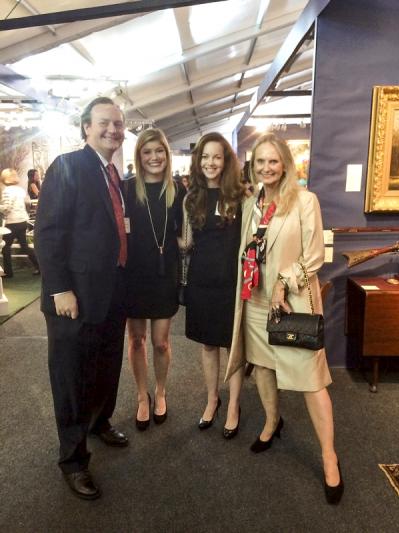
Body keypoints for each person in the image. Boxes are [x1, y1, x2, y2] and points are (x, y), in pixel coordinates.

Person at [225, 132, 343, 504]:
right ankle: (272, 422)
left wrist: (284, 282)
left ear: (285, 164)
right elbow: (247, 251)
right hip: (255, 302)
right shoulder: (250, 205)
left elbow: (314, 255)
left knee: (311, 381)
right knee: (261, 367)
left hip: (292, 305)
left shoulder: (305, 201)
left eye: (273, 161)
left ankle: (329, 456)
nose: (266, 168)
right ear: (253, 165)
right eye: (260, 162)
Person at [34, 97, 129, 501]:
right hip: (73, 298)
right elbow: (49, 232)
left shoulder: (113, 174)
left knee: (106, 367)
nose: (113, 130)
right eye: (104, 123)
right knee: (71, 378)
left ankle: (99, 422)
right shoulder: (68, 167)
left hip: (112, 294)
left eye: (118, 124)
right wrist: (60, 289)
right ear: (86, 128)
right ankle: (73, 461)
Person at [182, 132, 245, 438]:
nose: (210, 162)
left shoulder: (240, 195)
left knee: (233, 346)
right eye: (205, 157)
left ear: (226, 160)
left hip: (232, 282)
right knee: (208, 344)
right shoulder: (191, 197)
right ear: (198, 161)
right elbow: (189, 243)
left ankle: (234, 404)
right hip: (201, 280)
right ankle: (212, 399)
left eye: (217, 157)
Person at [125, 128, 185, 431]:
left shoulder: (177, 190)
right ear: (139, 156)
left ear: (167, 154)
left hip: (164, 275)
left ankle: (160, 391)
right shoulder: (125, 189)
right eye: (147, 152)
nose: (153, 157)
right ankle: (141, 395)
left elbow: (185, 234)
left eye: (158, 151)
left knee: (161, 343)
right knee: (136, 340)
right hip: (133, 276)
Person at [0, 168, 40, 278]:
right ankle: (39, 266)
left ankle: (8, 272)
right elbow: (27, 203)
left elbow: (6, 209)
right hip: (22, 221)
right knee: (25, 246)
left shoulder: (7, 191)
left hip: (12, 222)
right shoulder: (20, 190)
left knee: (5, 247)